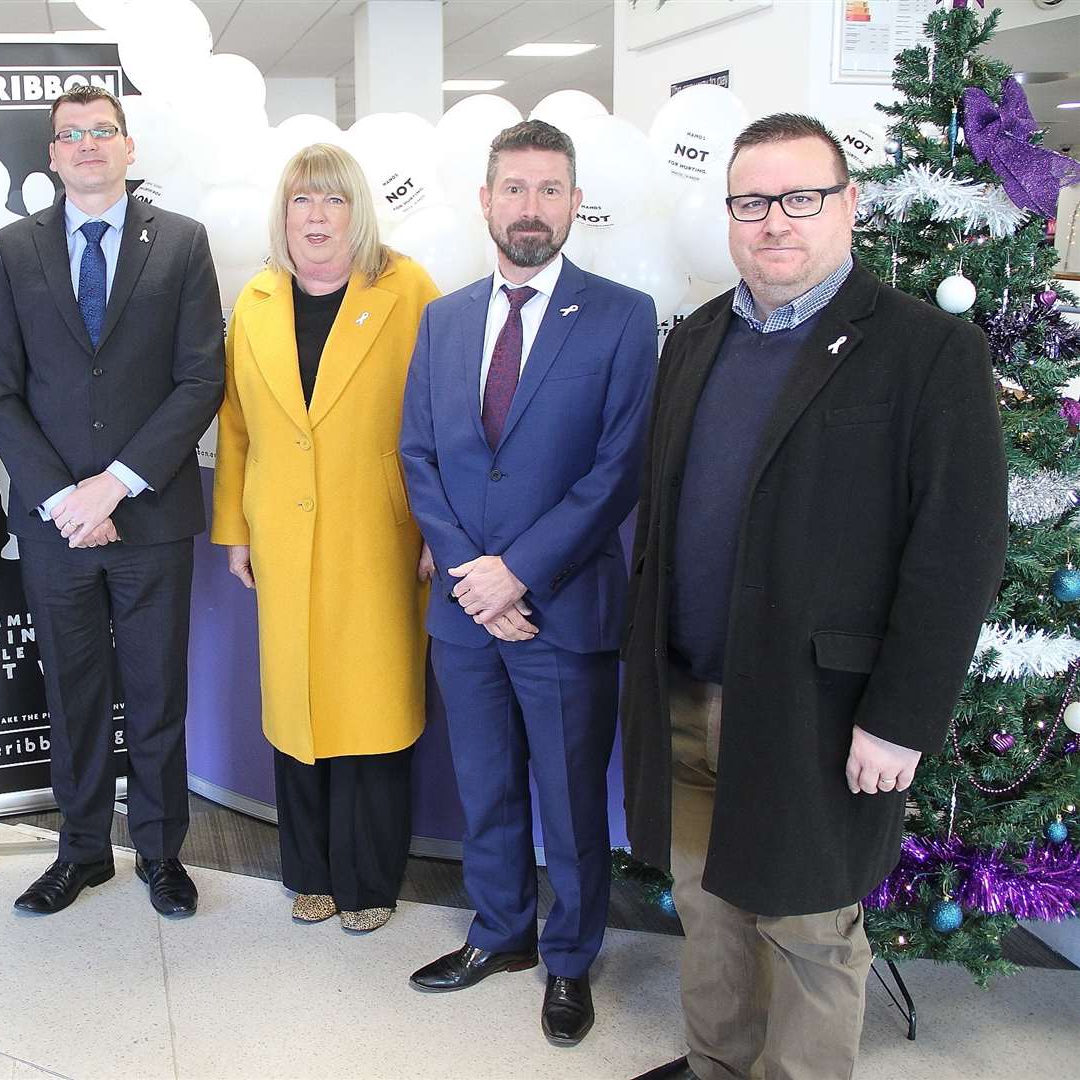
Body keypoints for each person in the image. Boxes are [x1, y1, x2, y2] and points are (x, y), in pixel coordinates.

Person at [619, 114, 1007, 1080]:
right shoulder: (696, 338)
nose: (774, 222)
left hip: (821, 707)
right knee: (705, 899)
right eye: (751, 202)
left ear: (850, 205)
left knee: (808, 922)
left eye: (801, 198)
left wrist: (900, 720)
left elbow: (957, 554)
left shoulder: (925, 351)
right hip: (687, 686)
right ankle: (717, 1062)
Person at [398, 120, 657, 1047]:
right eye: (515, 188)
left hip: (563, 607)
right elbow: (418, 454)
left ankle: (571, 958)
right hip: (466, 611)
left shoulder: (625, 315)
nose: (532, 208)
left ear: (576, 202)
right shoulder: (445, 316)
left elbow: (618, 471)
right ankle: (501, 931)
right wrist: (476, 581)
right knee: (487, 784)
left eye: (551, 190)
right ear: (485, 200)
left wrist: (518, 574)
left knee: (570, 797)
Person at [0, 86, 225, 918]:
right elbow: (0, 391)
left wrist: (114, 484)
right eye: (70, 135)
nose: (86, 145)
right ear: (52, 156)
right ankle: (82, 852)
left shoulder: (183, 243)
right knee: (72, 693)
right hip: (55, 530)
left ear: (128, 146)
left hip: (149, 517)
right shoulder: (12, 251)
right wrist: (60, 497)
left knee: (157, 691)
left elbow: (200, 380)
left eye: (102, 131)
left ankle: (161, 854)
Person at [211, 144, 439, 933]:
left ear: (358, 212)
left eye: (333, 201)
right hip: (280, 534)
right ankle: (307, 871)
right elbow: (235, 423)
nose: (316, 216)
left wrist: (441, 529)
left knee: (373, 709)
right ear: (283, 215)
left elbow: (445, 419)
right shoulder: (257, 299)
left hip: (380, 533)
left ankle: (369, 879)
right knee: (298, 709)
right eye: (302, 201)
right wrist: (234, 528)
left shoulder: (407, 289)